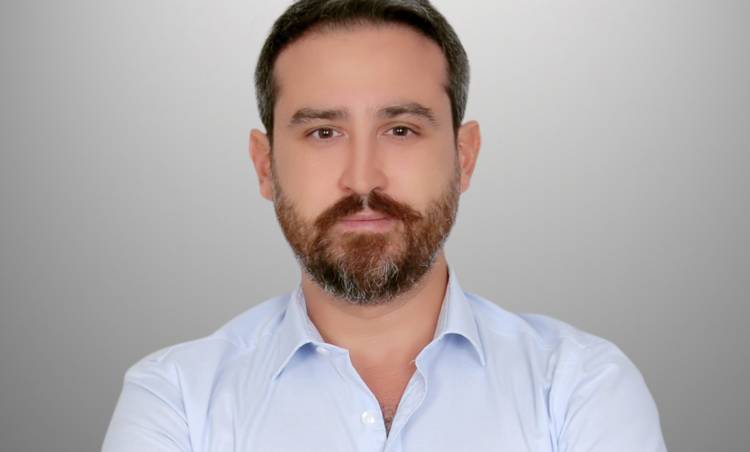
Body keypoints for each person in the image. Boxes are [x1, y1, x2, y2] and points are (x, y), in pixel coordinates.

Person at [102, 1, 668, 451]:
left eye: (400, 130)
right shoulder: (177, 399)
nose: (362, 177)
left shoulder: (580, 387)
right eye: (324, 132)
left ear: (464, 156)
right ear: (264, 165)